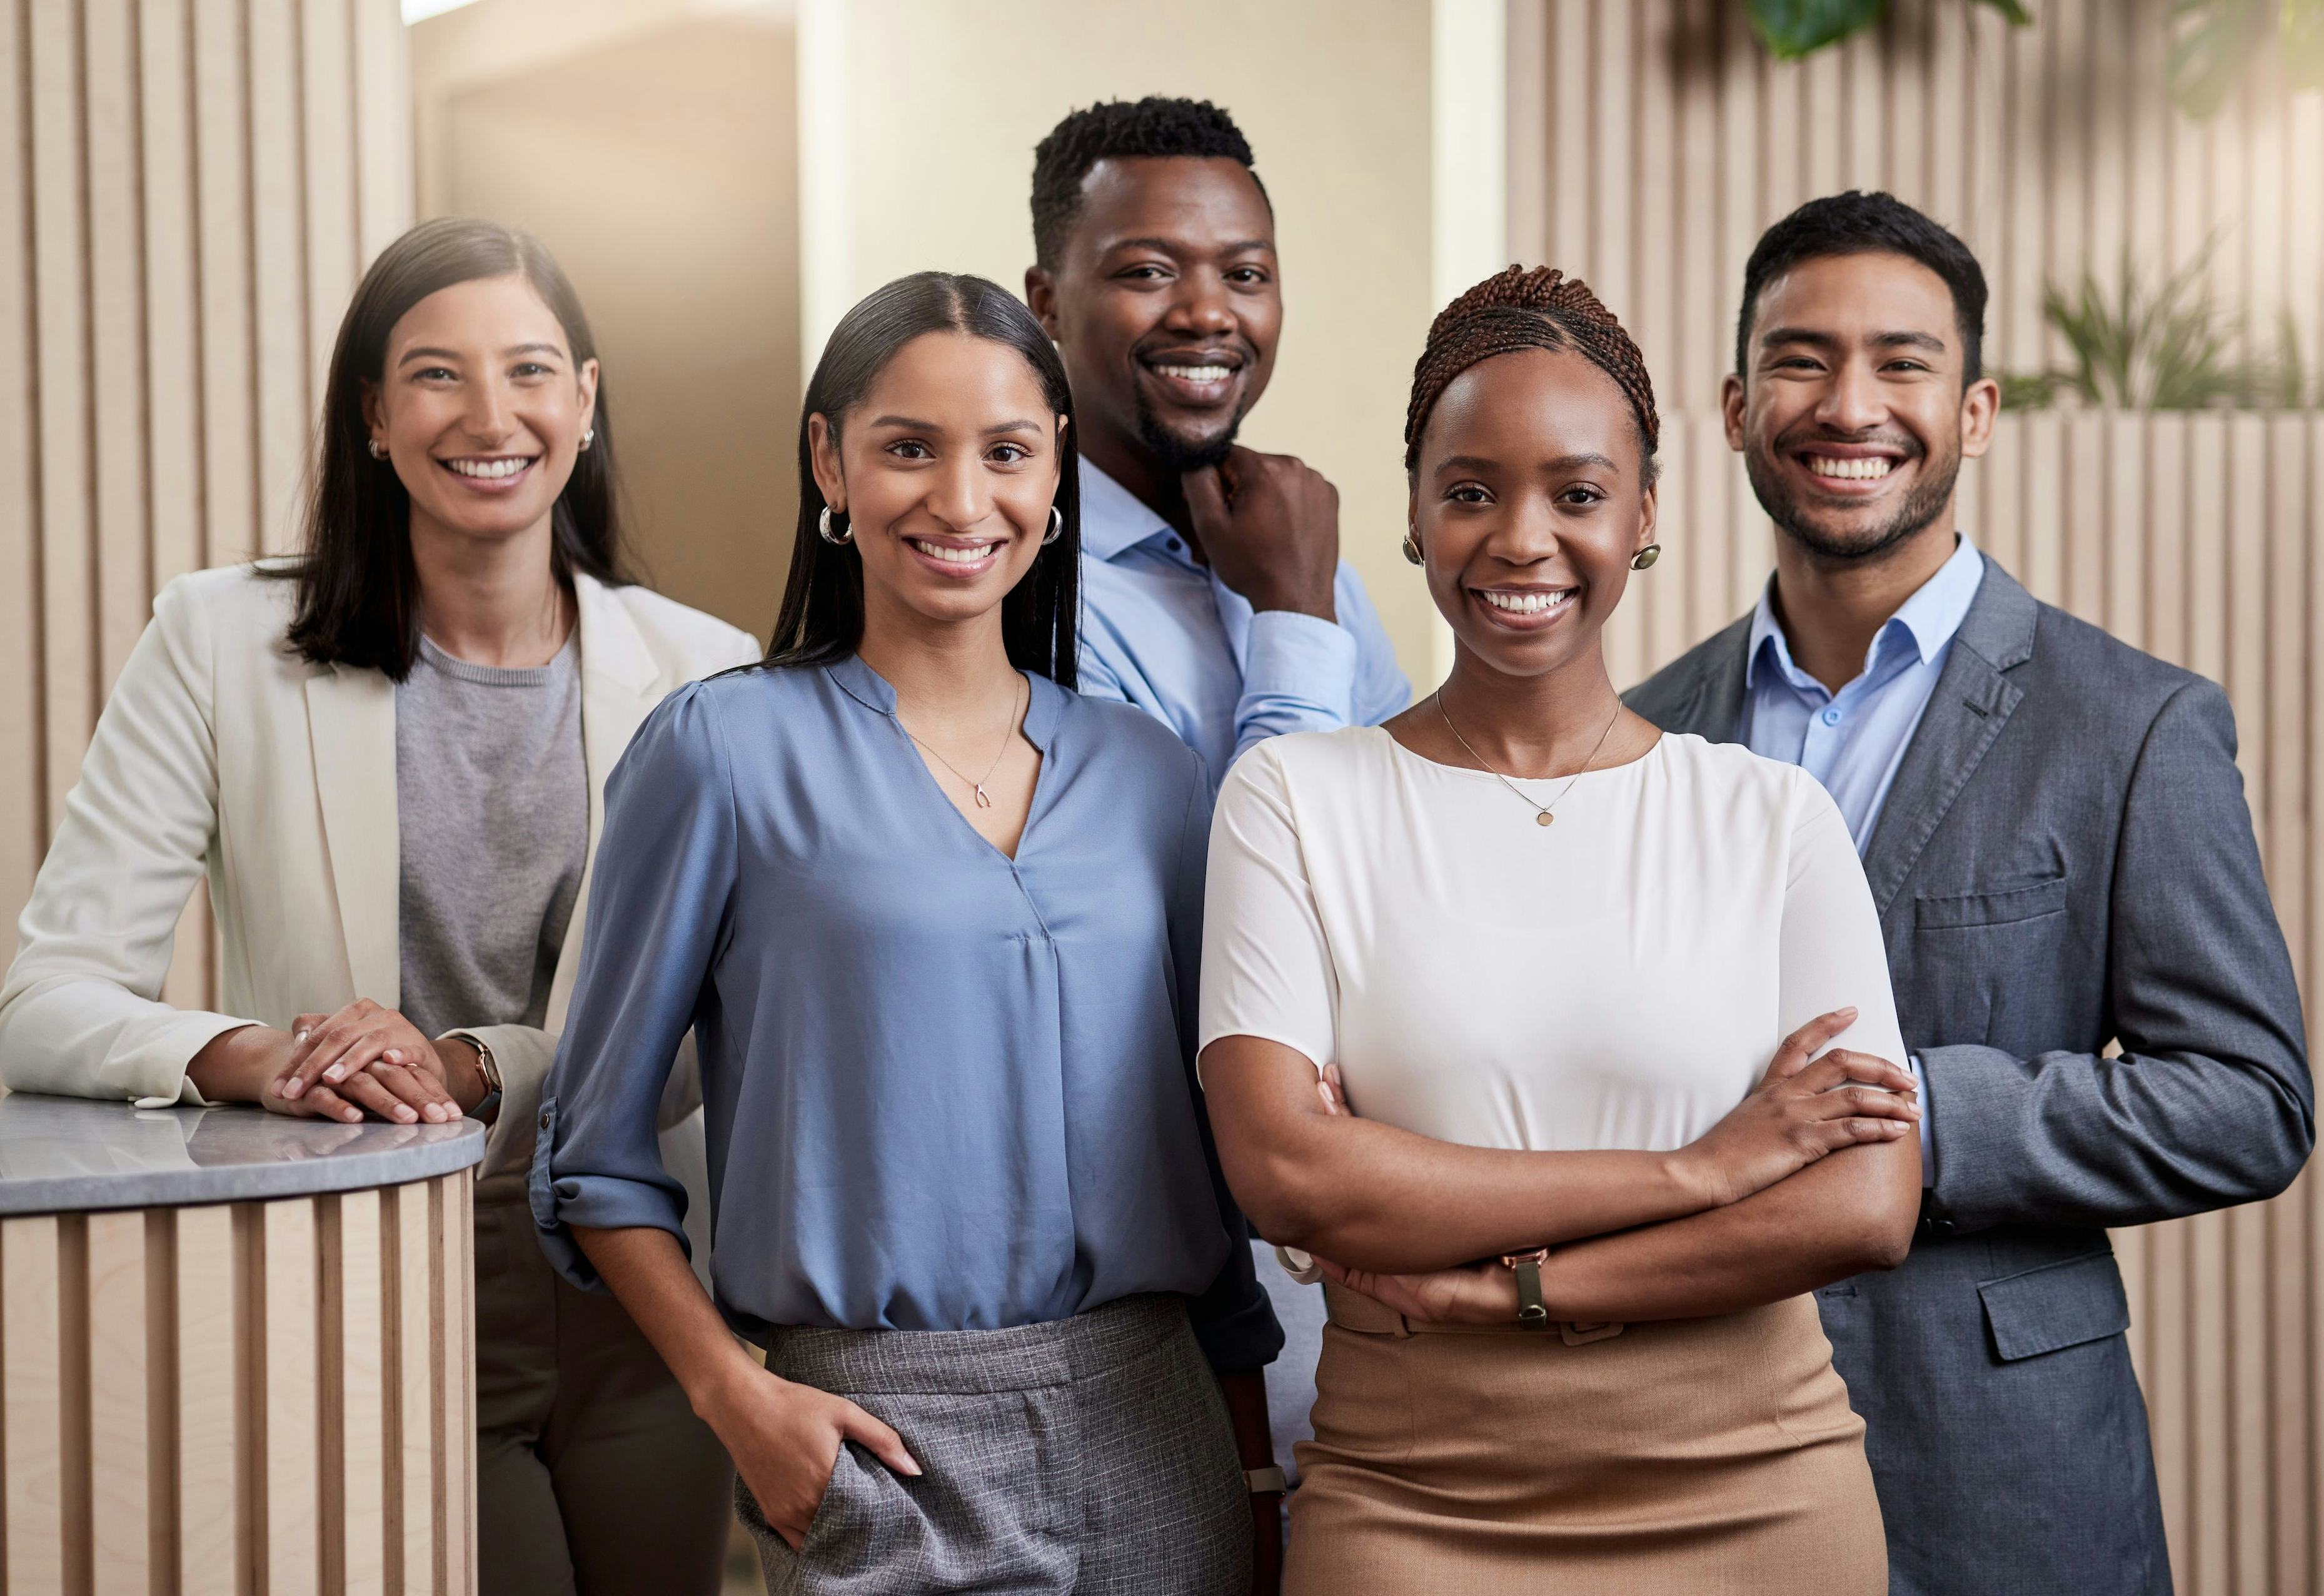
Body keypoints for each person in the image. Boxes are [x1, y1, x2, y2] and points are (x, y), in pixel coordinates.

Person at [0, 217, 754, 1594]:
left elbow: (717, 1032)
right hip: (381, 1280)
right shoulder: (219, 643)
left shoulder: (708, 670)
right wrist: (262, 1059)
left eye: (529, 371)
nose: (488, 416)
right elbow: (42, 1000)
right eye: (433, 374)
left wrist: (473, 1063)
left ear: (584, 404)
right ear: (371, 415)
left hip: (654, 1295)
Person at [530, 271, 1284, 1596]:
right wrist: (737, 1399)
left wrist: (1253, 1477)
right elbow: (589, 1155)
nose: (960, 500)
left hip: (1160, 1429)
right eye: (908, 448)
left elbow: (1211, 1184)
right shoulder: (722, 753)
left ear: (1056, 479)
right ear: (830, 459)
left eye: (1006, 452)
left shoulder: (1154, 776)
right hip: (881, 1446)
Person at [1623, 191, 2315, 1595]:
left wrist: (1919, 1111)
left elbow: (2252, 1100)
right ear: (1735, 404)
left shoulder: (2130, 723)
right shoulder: (1639, 727)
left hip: (2003, 1470)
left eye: (1904, 361)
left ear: (1977, 410)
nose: (1849, 403)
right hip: (1682, 1448)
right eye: (1803, 359)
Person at [1199, 265, 1927, 1595]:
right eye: (1470, 490)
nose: (1520, 539)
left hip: (1760, 1495)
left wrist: (1510, 1289)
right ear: (1415, 511)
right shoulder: (1297, 799)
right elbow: (1292, 1176)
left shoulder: (1771, 817)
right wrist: (1703, 1172)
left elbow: (1866, 1203)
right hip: (1415, 1505)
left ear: (1644, 514)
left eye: (1577, 494)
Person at [1022, 93, 1413, 1492]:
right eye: (1147, 271)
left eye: (1245, 272)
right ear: (1045, 300)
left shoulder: (1308, 563)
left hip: (1350, 1260)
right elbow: (1220, 927)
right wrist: (1297, 628)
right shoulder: (1009, 575)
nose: (1209, 313)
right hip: (1133, 1283)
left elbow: (1397, 885)